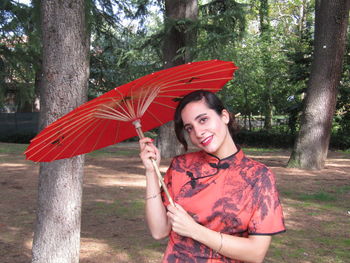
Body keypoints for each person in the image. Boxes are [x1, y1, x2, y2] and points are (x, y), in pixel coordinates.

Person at [139, 90, 285, 263]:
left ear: (224, 116)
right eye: (189, 128)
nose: (198, 133)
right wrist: (150, 172)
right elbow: (159, 231)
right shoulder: (181, 167)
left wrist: (195, 230)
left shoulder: (258, 176)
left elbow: (256, 253)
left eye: (203, 120)